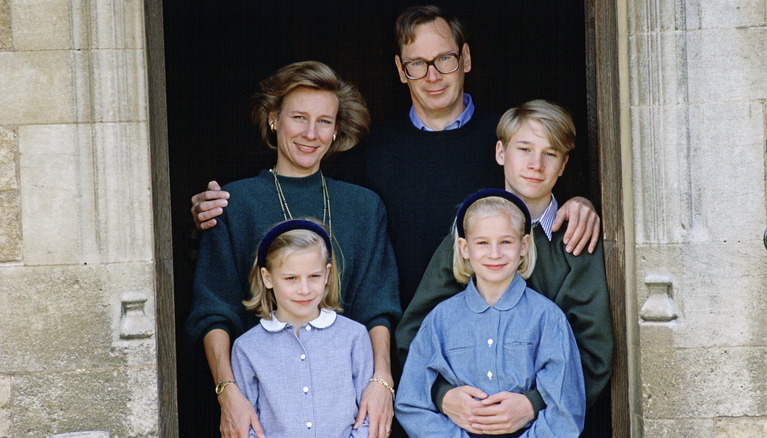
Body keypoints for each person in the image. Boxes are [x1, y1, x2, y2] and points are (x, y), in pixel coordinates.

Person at [190, 5, 602, 312]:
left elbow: (543, 189)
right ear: (400, 71)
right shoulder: (371, 150)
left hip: (494, 331)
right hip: (402, 337)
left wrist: (581, 202)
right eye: (417, 64)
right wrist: (216, 211)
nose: (433, 75)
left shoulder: (507, 140)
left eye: (444, 59)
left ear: (466, 58)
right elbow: (299, 186)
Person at [185, 61, 401, 438]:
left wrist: (381, 381)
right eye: (298, 117)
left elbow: (377, 307)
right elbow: (212, 312)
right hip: (267, 410)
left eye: (324, 121)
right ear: (273, 119)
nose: (311, 133)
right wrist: (227, 392)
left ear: (337, 130)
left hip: (346, 410)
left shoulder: (364, 207)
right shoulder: (234, 204)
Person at [395, 100, 612, 435]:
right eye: (524, 149)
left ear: (563, 165)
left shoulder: (576, 238)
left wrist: (533, 403)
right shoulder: (470, 234)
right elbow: (418, 333)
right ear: (501, 152)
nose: (535, 164)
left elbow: (593, 354)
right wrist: (442, 396)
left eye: (550, 153)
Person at [395, 189, 585, 437]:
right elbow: (411, 403)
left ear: (524, 245)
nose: (494, 254)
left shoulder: (548, 318)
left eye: (506, 242)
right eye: (482, 242)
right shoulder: (440, 320)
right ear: (464, 248)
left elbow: (566, 410)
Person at [231, 219, 374, 438]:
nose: (304, 289)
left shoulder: (354, 337)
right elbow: (246, 423)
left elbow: (367, 416)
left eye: (314, 276)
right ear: (267, 278)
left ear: (327, 274)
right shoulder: (247, 347)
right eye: (291, 278)